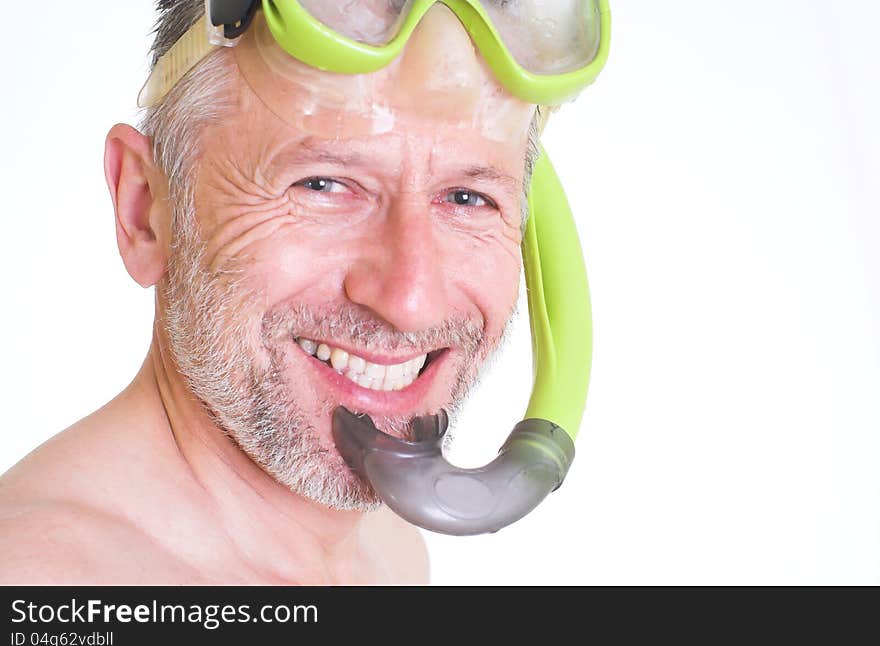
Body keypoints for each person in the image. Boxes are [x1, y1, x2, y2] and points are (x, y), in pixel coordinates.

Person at [0, 1, 544, 584]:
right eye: (323, 185)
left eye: (467, 198)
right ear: (144, 210)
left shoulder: (391, 552)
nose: (411, 302)